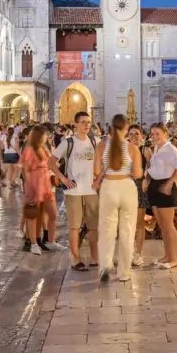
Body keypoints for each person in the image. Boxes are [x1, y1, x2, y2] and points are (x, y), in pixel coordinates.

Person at [94, 114, 143, 283]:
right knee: (127, 230)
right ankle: (124, 272)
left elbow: (96, 171)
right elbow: (138, 173)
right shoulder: (132, 148)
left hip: (108, 187)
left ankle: (105, 265)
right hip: (127, 187)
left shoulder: (101, 146)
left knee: (107, 228)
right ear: (126, 128)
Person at [50, 111, 99, 270]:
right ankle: (75, 259)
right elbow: (51, 162)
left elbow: (104, 162)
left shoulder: (95, 141)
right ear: (75, 124)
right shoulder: (68, 142)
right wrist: (63, 179)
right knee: (74, 226)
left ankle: (94, 257)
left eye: (88, 122)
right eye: (83, 122)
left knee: (93, 226)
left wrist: (98, 180)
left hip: (91, 190)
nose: (86, 125)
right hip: (73, 191)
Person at [145, 123, 177, 270]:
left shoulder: (170, 149)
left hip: (165, 187)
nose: (155, 137)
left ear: (165, 134)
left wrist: (169, 184)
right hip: (155, 186)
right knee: (161, 225)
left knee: (169, 226)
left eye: (158, 134)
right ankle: (166, 256)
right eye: (153, 134)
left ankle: (173, 258)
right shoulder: (156, 148)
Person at [20, 125, 60, 255]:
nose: (47, 137)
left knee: (52, 213)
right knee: (33, 214)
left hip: (46, 183)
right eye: (44, 134)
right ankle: (33, 243)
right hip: (34, 183)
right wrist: (29, 186)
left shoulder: (44, 148)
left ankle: (50, 240)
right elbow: (25, 170)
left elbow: (51, 164)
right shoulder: (29, 150)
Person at [128, 124, 150, 267]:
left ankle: (138, 253)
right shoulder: (124, 150)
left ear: (141, 135)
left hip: (140, 186)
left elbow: (149, 168)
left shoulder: (146, 150)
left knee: (139, 222)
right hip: (126, 186)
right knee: (127, 223)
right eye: (131, 134)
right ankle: (128, 252)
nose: (134, 136)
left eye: (137, 134)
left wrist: (146, 180)